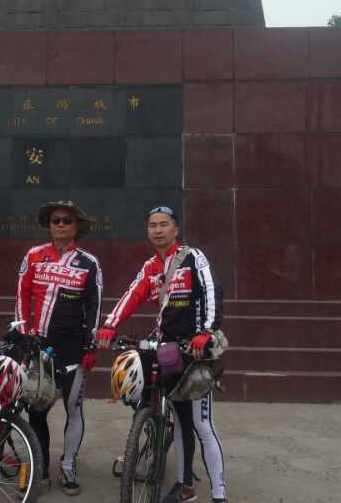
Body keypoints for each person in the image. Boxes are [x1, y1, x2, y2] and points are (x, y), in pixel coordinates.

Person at [97, 205, 227, 503]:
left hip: (196, 351)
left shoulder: (193, 257)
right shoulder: (150, 268)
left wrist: (207, 330)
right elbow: (132, 294)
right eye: (153, 225)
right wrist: (109, 326)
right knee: (180, 420)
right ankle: (184, 486)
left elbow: (212, 291)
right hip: (167, 351)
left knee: (201, 424)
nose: (158, 230)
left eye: (164, 224)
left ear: (175, 229)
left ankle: (220, 494)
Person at [15, 200, 103, 495]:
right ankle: (39, 467)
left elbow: (95, 306)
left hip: (73, 349)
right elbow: (22, 295)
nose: (61, 225)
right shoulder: (34, 256)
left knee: (73, 408)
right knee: (36, 410)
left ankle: (68, 465)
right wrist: (23, 333)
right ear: (49, 225)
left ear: (77, 226)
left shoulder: (89, 263)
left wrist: (91, 344)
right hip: (39, 347)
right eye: (56, 220)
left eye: (67, 221)